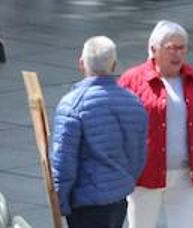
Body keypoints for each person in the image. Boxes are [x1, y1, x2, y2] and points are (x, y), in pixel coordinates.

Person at [118, 21, 193, 228]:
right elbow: (118, 130)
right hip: (145, 176)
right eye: (171, 48)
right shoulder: (132, 79)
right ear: (153, 49)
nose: (177, 54)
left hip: (186, 175)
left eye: (182, 47)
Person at [52, 36, 147, 228]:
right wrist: (124, 182)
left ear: (81, 63)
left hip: (86, 202)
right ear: (114, 65)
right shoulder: (133, 102)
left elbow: (64, 161)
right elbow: (138, 154)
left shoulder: (72, 104)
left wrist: (59, 201)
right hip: (117, 196)